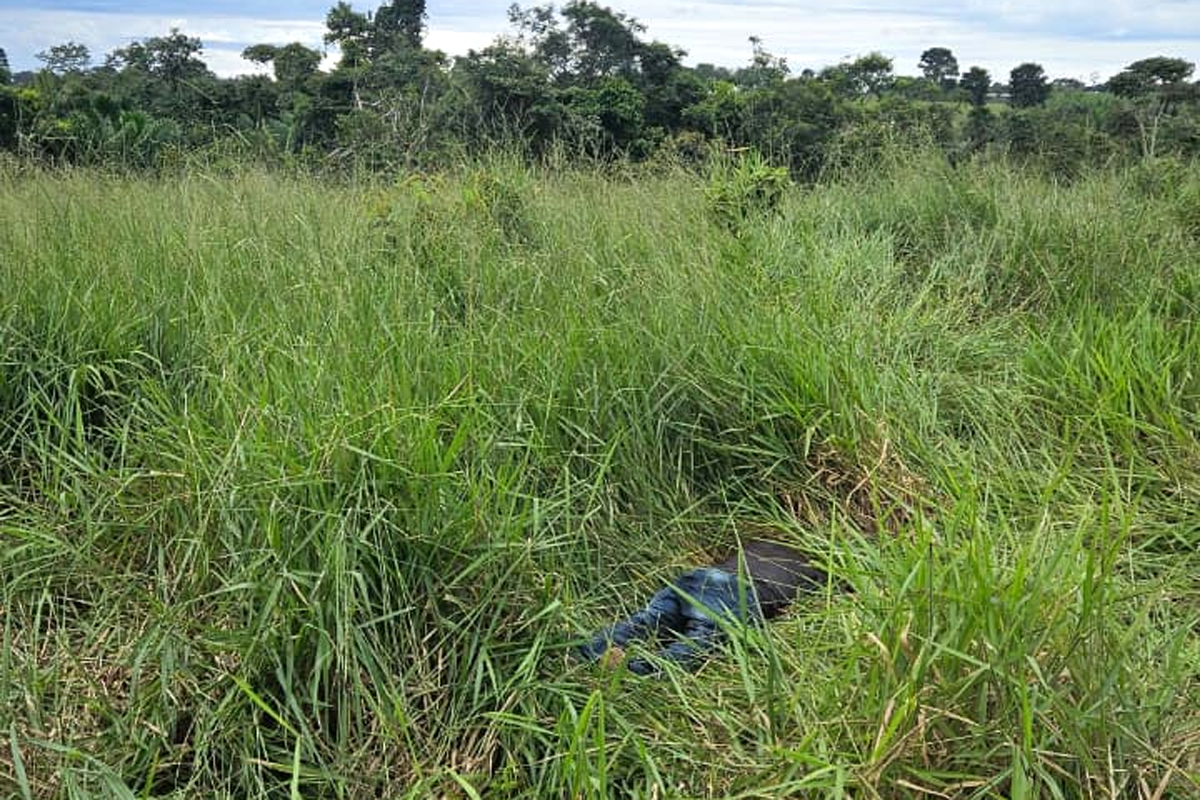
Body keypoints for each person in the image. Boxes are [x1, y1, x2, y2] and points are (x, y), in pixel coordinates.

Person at [577, 539, 830, 676]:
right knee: (701, 640)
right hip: (736, 591)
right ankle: (636, 672)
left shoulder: (759, 545)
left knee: (650, 620)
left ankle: (594, 647)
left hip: (700, 577)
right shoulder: (811, 571)